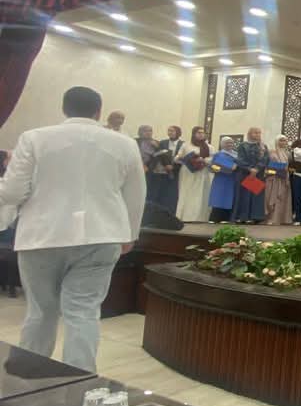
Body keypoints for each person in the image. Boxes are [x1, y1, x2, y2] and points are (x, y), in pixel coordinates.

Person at [0, 87, 145, 372]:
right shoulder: (125, 144)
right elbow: (136, 193)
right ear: (99, 111)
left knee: (41, 312)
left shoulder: (34, 138)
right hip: (102, 234)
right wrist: (130, 235)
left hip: (42, 234)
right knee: (83, 312)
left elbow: (13, 191)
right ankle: (79, 381)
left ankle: (29, 377)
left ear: (64, 109)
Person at [175, 126, 212, 222]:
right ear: (194, 134)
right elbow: (177, 158)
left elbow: (212, 159)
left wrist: (203, 160)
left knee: (200, 195)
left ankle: (200, 218)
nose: (201, 134)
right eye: (198, 132)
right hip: (188, 172)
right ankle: (185, 217)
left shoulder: (209, 147)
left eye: (203, 133)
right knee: (187, 193)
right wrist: (188, 159)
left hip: (202, 173)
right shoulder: (186, 145)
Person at [232, 127, 269, 224]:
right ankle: (243, 217)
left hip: (257, 174)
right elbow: (240, 159)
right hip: (245, 174)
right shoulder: (243, 145)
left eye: (259, 133)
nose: (257, 134)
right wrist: (249, 168)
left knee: (256, 195)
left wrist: (257, 169)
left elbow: (265, 159)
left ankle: (255, 217)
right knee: (245, 195)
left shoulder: (263, 146)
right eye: (255, 133)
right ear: (249, 134)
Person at [149, 126, 184, 214]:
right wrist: (166, 165)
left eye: (172, 131)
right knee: (163, 193)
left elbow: (183, 158)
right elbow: (157, 154)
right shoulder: (162, 143)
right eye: (169, 131)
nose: (170, 132)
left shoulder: (183, 144)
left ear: (178, 132)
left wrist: (173, 167)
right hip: (163, 172)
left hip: (176, 172)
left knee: (173, 193)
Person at [208, 136, 239, 223]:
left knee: (228, 198)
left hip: (231, 179)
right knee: (218, 198)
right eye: (227, 143)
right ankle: (214, 218)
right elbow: (212, 167)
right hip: (220, 179)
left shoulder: (236, 155)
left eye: (231, 143)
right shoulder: (218, 154)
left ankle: (226, 218)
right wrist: (220, 169)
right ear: (222, 144)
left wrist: (236, 166)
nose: (229, 144)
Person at [264, 135, 293, 225]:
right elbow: (266, 164)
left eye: (284, 141)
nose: (283, 142)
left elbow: (288, 166)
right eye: (281, 140)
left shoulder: (287, 153)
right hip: (273, 178)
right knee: (271, 197)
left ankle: (281, 218)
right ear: (277, 141)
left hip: (283, 177)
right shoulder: (271, 151)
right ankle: (270, 218)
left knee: (281, 198)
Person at [136, 125, 158, 197]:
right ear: (140, 132)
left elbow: (158, 157)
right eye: (145, 131)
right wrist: (141, 164)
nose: (148, 133)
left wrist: (157, 147)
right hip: (136, 167)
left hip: (150, 169)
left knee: (147, 190)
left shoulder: (156, 142)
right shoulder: (135, 141)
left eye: (150, 131)